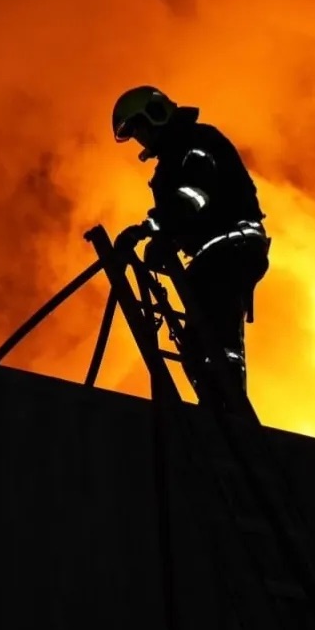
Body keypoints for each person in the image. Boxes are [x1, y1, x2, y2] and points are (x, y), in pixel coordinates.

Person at [110, 86, 270, 399]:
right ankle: (215, 402)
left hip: (230, 246)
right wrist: (161, 238)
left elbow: (195, 195)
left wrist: (150, 230)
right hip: (213, 254)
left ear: (155, 115)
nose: (140, 140)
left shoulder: (197, 142)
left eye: (140, 129)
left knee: (218, 340)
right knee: (197, 344)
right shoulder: (169, 163)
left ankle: (227, 404)